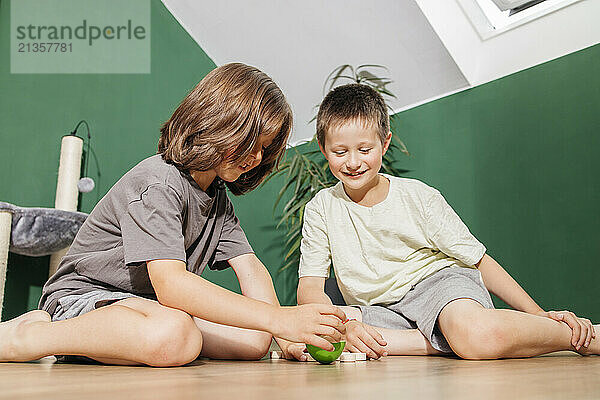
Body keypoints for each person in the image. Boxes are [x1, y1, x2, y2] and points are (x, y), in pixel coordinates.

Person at [0, 63, 346, 366]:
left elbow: (251, 268)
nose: (255, 156)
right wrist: (280, 319)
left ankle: (123, 340)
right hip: (81, 299)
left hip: (142, 307)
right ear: (217, 122)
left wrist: (281, 334)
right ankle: (33, 337)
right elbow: (172, 285)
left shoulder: (217, 199)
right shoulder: (158, 182)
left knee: (254, 340)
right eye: (250, 142)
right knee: (175, 334)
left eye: (264, 149)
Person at [296, 83, 598, 360]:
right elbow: (309, 288)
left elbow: (479, 261)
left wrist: (539, 314)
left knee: (477, 335)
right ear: (324, 149)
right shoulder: (320, 209)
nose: (352, 162)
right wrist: (338, 326)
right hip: (377, 310)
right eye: (339, 152)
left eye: (364, 149)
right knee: (326, 335)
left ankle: (582, 337)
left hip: (439, 288)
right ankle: (445, 342)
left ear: (384, 144)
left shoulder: (419, 197)